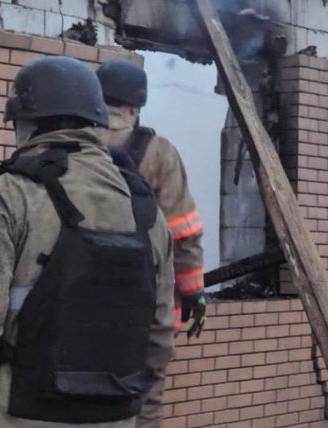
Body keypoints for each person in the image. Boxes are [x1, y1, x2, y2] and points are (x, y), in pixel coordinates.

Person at [0, 56, 175, 428]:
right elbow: (157, 341)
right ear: (96, 122)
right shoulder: (148, 213)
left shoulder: (8, 196)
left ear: (28, 124)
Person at [96, 59, 207, 428]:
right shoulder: (159, 153)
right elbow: (183, 231)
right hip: (146, 308)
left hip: (75, 299)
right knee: (144, 399)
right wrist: (193, 293)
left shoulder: (73, 146)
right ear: (135, 108)